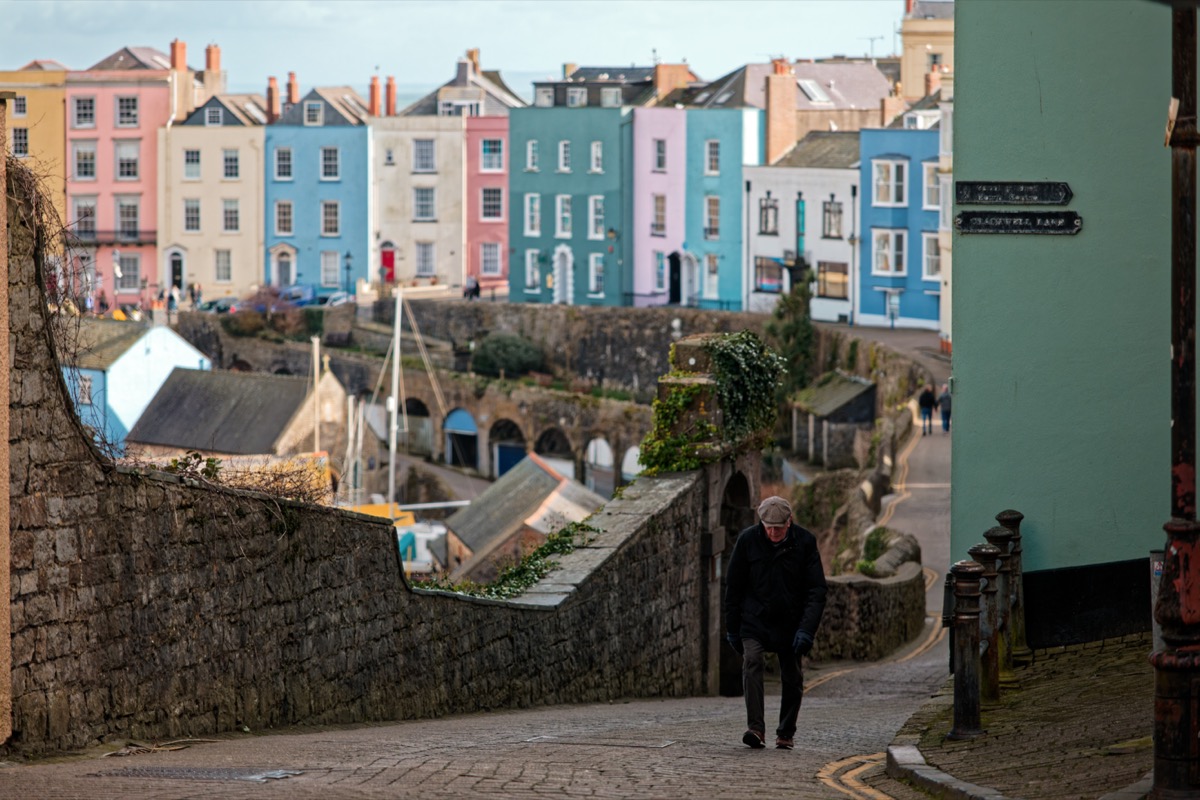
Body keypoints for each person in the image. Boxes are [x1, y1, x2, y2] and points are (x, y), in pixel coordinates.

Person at [724, 496, 827, 750]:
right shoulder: (748, 541)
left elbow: (816, 591)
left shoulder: (805, 543)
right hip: (754, 619)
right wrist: (732, 628)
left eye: (778, 528)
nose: (772, 532)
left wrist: (806, 629)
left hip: (790, 622)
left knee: (792, 675)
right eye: (768, 527)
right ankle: (756, 729)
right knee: (752, 662)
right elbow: (733, 587)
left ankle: (786, 732)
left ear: (789, 522)